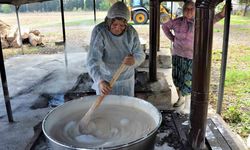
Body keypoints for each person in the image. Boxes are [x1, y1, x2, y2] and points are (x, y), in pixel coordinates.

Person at [162, 1, 225, 114]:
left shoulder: (200, 22)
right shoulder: (177, 21)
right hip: (177, 55)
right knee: (177, 78)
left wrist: (222, 14)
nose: (189, 11)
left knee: (188, 81)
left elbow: (212, 20)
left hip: (191, 57)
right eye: (187, 8)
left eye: (192, 8)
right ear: (183, 9)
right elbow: (165, 27)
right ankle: (181, 99)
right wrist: (173, 39)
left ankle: (187, 105)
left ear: (196, 10)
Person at [87, 2, 145, 97]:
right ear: (108, 22)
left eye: (122, 25)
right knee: (105, 109)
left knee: (125, 107)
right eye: (114, 24)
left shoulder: (131, 32)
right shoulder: (100, 32)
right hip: (105, 79)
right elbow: (92, 60)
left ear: (126, 24)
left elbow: (140, 54)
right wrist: (100, 81)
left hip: (126, 80)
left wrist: (134, 60)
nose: (118, 28)